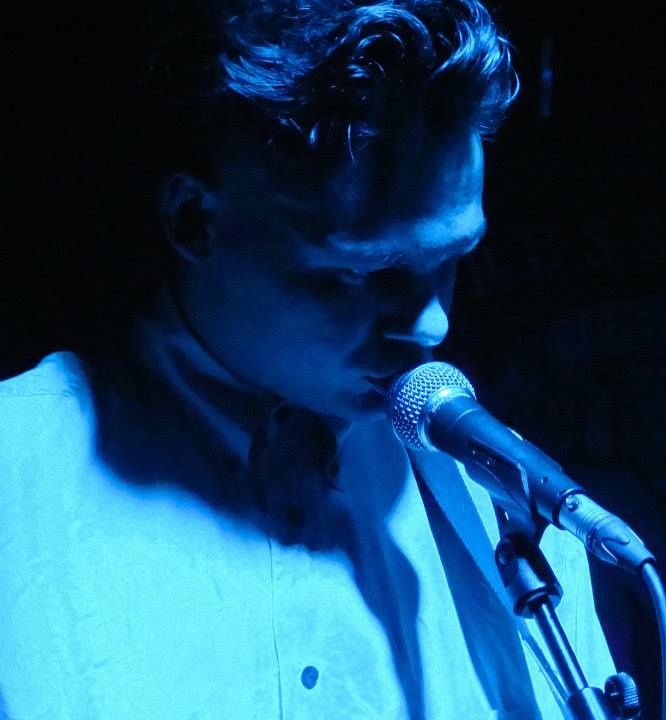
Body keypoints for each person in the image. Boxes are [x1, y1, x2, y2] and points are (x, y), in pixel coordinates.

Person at [0, 1, 616, 717]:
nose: (432, 323)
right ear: (193, 220)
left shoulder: (506, 506)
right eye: (364, 271)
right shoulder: (16, 482)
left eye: (451, 260)